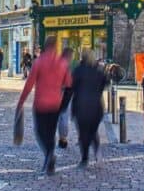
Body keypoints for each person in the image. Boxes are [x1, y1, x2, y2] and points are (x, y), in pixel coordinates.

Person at [17, 36, 71, 175]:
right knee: (51, 133)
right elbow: (69, 84)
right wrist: (64, 103)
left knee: (41, 132)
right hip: (55, 104)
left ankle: (49, 154)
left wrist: (21, 101)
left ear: (45, 46)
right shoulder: (62, 63)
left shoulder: (39, 62)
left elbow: (29, 84)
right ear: (56, 46)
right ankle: (49, 156)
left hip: (41, 104)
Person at [70, 49, 107, 167]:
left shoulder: (78, 71)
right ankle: (97, 152)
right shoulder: (98, 71)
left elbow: (71, 88)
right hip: (96, 107)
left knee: (83, 133)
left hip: (81, 106)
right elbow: (104, 84)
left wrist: (65, 105)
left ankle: (85, 158)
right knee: (92, 131)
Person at [56, 47, 74, 149]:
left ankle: (59, 138)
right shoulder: (65, 66)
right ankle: (62, 139)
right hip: (63, 94)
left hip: (54, 94)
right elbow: (68, 83)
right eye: (71, 56)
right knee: (63, 116)